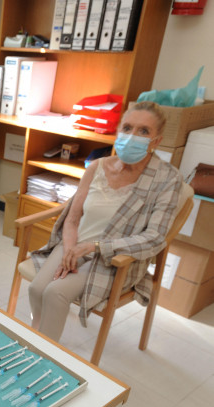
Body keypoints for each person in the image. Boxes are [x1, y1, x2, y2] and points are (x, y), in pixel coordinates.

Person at [28, 101, 183, 341]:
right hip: (74, 245)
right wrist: (70, 250)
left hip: (112, 257)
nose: (132, 136)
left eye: (143, 131)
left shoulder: (167, 180)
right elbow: (73, 218)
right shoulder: (97, 166)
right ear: (118, 130)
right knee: (36, 289)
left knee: (55, 293)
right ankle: (35, 338)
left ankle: (43, 355)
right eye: (127, 128)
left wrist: (94, 247)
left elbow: (154, 238)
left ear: (156, 141)